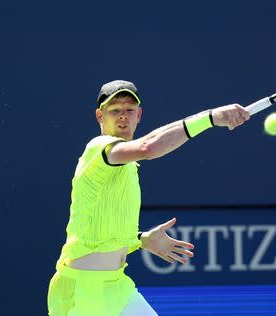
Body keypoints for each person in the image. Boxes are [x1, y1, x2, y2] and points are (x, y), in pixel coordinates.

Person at [47, 80, 250, 315]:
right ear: (99, 116)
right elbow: (148, 147)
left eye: (129, 110)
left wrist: (141, 239)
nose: (123, 116)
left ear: (139, 115)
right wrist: (211, 117)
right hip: (83, 292)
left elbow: (101, 229)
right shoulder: (99, 147)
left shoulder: (128, 166)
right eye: (114, 110)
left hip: (117, 286)